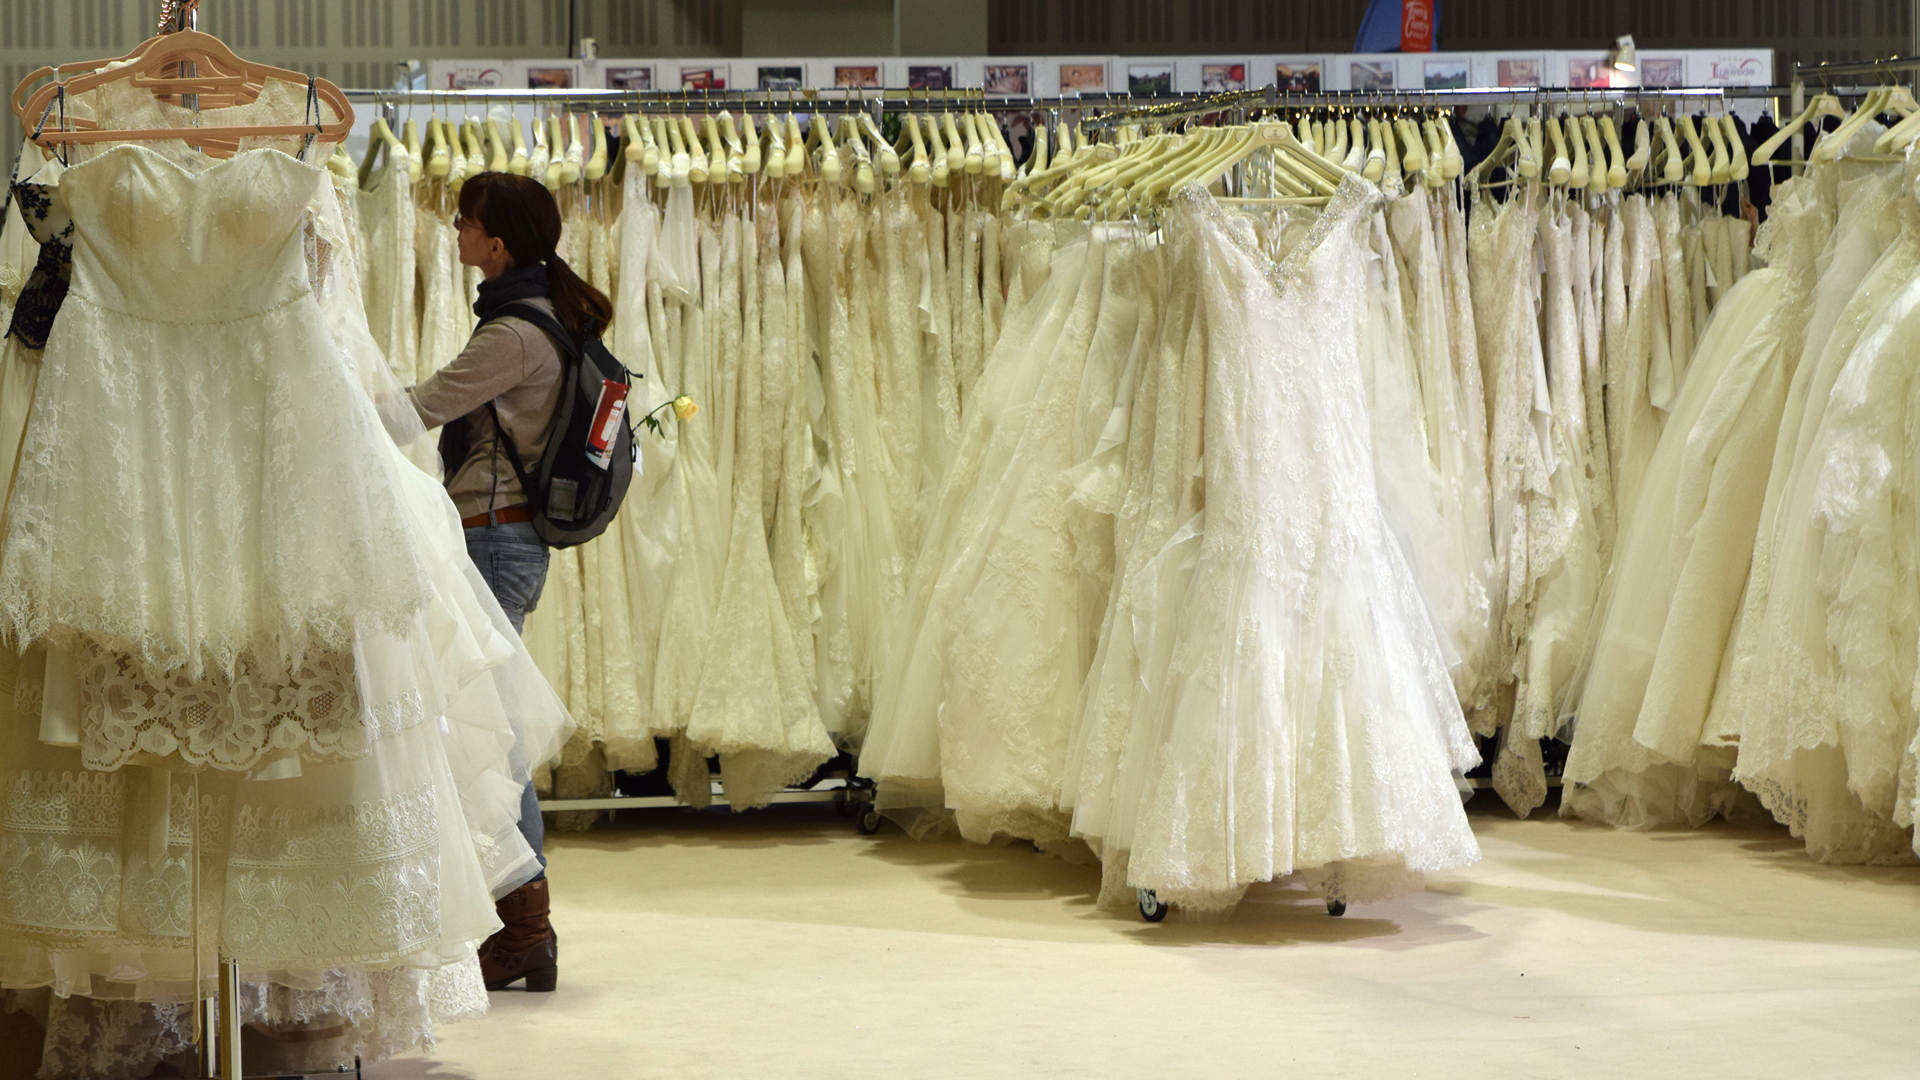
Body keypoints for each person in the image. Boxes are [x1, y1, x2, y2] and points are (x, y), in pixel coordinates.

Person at [407, 171, 612, 993]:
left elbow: (419, 409)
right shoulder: (537, 313)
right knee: (492, 731)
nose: (455, 230)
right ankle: (521, 927)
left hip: (494, 540)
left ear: (497, 243)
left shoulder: (514, 333)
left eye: (466, 221)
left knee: (495, 740)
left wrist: (318, 404)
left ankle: (527, 928)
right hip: (507, 539)